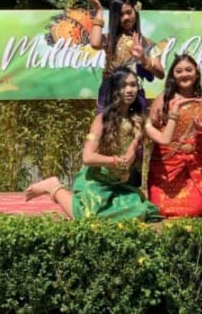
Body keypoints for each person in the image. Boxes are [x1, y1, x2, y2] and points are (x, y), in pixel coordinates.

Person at [24, 69, 162, 223]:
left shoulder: (138, 120)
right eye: (124, 86)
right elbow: (87, 157)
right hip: (96, 181)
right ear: (115, 90)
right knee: (87, 217)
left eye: (133, 85)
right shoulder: (102, 119)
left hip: (118, 184)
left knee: (140, 213)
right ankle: (54, 187)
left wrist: (174, 116)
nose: (130, 90)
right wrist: (116, 161)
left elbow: (164, 139)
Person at [145, 55, 202, 218]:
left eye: (188, 70)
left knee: (195, 209)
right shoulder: (164, 100)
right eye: (179, 71)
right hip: (166, 168)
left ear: (197, 72)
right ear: (173, 75)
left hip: (193, 168)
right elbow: (151, 129)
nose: (184, 74)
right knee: (162, 210)